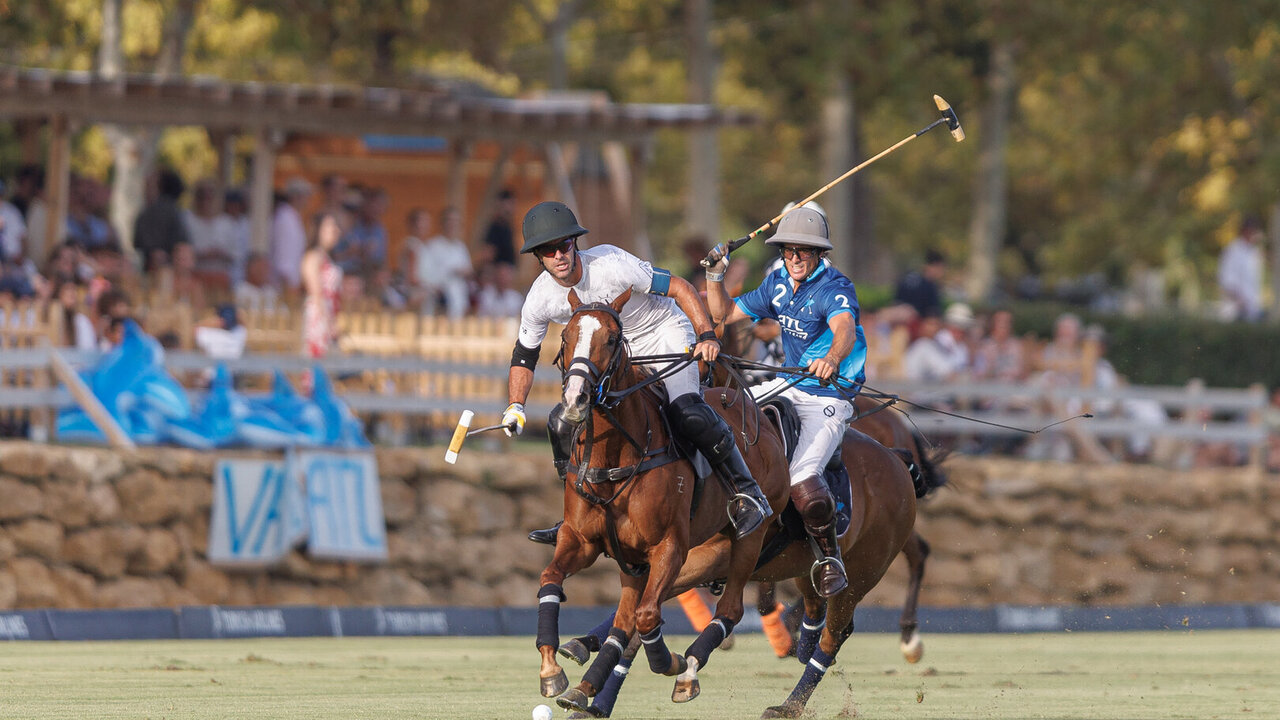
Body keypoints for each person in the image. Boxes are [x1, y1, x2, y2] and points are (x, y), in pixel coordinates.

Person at [511, 200, 771, 543]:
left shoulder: (612, 264)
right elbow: (524, 357)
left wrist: (705, 333)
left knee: (688, 413)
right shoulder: (540, 298)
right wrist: (515, 406)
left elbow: (679, 287)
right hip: (616, 351)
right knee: (562, 421)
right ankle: (572, 519)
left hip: (664, 334)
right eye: (548, 250)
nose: (558, 255)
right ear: (538, 258)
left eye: (564, 245)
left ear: (575, 245)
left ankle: (747, 490)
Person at [704, 206, 866, 597]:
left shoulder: (835, 287)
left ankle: (829, 559)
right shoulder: (777, 281)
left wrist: (831, 359)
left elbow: (843, 329)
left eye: (804, 252)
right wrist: (714, 275)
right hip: (788, 382)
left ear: (819, 255)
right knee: (715, 410)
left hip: (830, 394)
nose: (794, 258)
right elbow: (723, 313)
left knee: (801, 478)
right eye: (788, 250)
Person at [301, 212, 343, 359]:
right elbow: (316, 293)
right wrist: (329, 322)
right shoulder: (313, 257)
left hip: (329, 312)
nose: (336, 231)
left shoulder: (327, 258)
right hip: (319, 315)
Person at [133, 168, 189, 273]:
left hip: (157, 270)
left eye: (149, 185)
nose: (144, 190)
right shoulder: (178, 212)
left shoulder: (153, 212)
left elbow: (138, 242)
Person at [1218, 216, 1265, 322]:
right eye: (1254, 232)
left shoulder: (1255, 253)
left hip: (1252, 312)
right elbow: (1226, 280)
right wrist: (1239, 300)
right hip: (1235, 312)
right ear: (1246, 231)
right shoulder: (1232, 251)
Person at [271, 177, 312, 293]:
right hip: (284, 284)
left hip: (292, 282)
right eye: (305, 196)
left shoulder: (294, 217)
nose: (307, 200)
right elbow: (283, 253)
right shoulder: (285, 218)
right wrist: (287, 284)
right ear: (295, 197)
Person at [893, 248, 946, 321]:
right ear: (933, 266)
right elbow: (932, 313)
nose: (941, 272)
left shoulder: (909, 277)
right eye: (940, 268)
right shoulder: (929, 286)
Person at [480, 188, 517, 272]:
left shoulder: (508, 227)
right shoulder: (495, 227)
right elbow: (488, 254)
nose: (512, 208)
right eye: (510, 204)